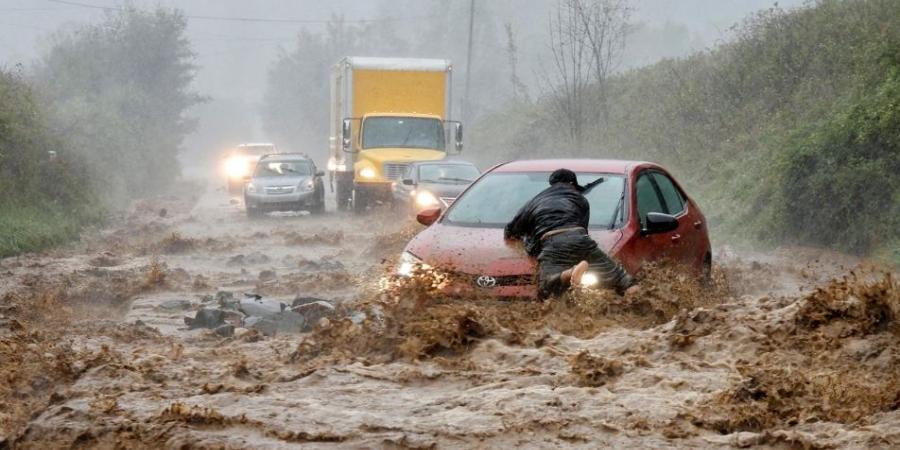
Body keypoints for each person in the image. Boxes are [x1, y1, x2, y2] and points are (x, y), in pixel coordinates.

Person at [504, 168, 637, 299]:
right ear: (572, 184)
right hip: (580, 238)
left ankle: (570, 273)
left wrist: (528, 241)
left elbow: (511, 231)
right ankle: (641, 304)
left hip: (553, 242)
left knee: (545, 288)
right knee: (622, 278)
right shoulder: (580, 200)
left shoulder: (534, 202)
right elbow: (583, 229)